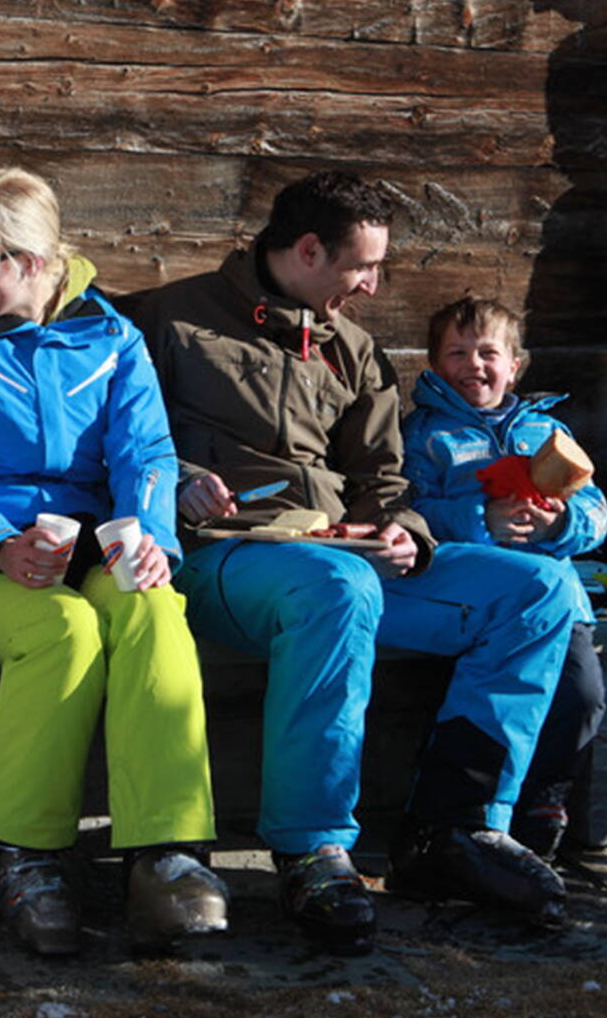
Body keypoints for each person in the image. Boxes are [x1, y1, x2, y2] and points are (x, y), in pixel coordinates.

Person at [133, 171, 572, 955]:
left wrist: (404, 531)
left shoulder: (355, 351)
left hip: (342, 558)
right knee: (335, 590)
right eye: (362, 267)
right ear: (307, 250)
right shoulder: (173, 321)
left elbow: (385, 478)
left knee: (538, 589)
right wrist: (174, 485)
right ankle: (312, 846)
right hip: (225, 561)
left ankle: (457, 828)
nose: (371, 286)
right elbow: (116, 440)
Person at [0, 166, 226, 955]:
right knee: (64, 631)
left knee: (154, 610)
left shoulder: (111, 336)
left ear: (34, 263)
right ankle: (26, 857)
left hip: (90, 540)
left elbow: (146, 451)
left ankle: (166, 854)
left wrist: (152, 533)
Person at [401, 296, 607, 859]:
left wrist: (559, 523)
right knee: (471, 688)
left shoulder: (546, 432)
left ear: (514, 364)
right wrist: (478, 519)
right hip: (473, 595)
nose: (474, 365)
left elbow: (595, 513)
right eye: (457, 353)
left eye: (488, 352)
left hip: (561, 597)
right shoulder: (425, 435)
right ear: (433, 364)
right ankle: (468, 812)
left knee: (581, 694)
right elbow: (413, 509)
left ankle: (546, 798)